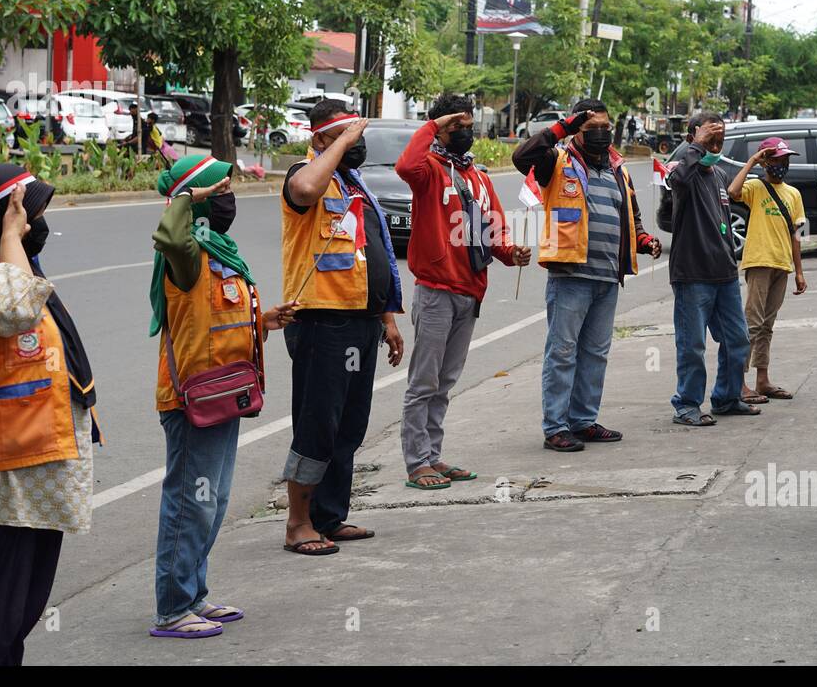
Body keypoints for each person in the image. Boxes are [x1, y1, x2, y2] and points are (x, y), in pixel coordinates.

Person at [0, 164, 102, 665]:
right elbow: (13, 310)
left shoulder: (13, 273)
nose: (37, 227)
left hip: (32, 475)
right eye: (30, 217)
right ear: (0, 223)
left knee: (19, 613)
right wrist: (11, 232)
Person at [148, 155, 295, 637]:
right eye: (224, 189)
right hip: (193, 400)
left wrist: (264, 319)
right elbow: (169, 234)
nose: (232, 197)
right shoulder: (186, 255)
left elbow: (213, 322)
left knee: (212, 501)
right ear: (202, 200)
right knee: (191, 503)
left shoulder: (220, 251)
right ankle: (173, 607)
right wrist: (188, 198)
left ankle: (195, 593)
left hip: (225, 394)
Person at [280, 100, 404, 553]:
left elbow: (366, 255)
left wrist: (387, 319)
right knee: (317, 425)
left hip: (362, 321)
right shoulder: (306, 173)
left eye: (359, 135)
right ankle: (298, 524)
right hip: (322, 320)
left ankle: (329, 517)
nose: (358, 143)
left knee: (349, 426)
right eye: (348, 135)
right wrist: (339, 145)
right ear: (320, 140)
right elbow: (306, 189)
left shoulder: (353, 186)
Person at [395, 92, 530, 489]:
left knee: (445, 382)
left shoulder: (478, 177)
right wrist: (435, 126)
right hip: (436, 289)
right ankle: (416, 462)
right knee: (423, 382)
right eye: (458, 127)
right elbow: (406, 164)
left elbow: (496, 228)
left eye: (470, 126)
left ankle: (433, 456)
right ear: (441, 129)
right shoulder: (429, 170)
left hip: (471, 291)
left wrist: (511, 252)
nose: (466, 133)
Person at [512, 97, 661, 451]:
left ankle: (583, 420)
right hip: (570, 276)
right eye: (590, 127)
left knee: (595, 352)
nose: (599, 133)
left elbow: (630, 215)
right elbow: (521, 157)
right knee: (563, 351)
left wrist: (643, 240)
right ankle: (556, 427)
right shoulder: (556, 161)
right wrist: (561, 127)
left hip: (608, 277)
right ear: (576, 129)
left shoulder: (618, 168)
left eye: (604, 127)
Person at [665, 113, 758, 426]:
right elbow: (676, 182)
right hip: (692, 275)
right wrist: (697, 145)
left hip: (725, 274)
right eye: (711, 139)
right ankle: (687, 405)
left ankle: (727, 398)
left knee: (738, 340)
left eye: (721, 139)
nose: (717, 145)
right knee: (692, 345)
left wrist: (732, 261)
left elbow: (722, 223)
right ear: (694, 136)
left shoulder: (718, 175)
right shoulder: (683, 170)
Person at [729, 136, 808, 404]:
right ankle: (738, 383)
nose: (782, 164)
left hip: (782, 264)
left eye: (785, 160)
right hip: (759, 262)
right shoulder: (756, 187)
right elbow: (732, 192)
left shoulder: (793, 194)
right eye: (776, 159)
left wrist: (799, 271)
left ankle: (762, 380)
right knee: (751, 324)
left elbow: (797, 235)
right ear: (766, 161)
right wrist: (752, 162)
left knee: (767, 326)